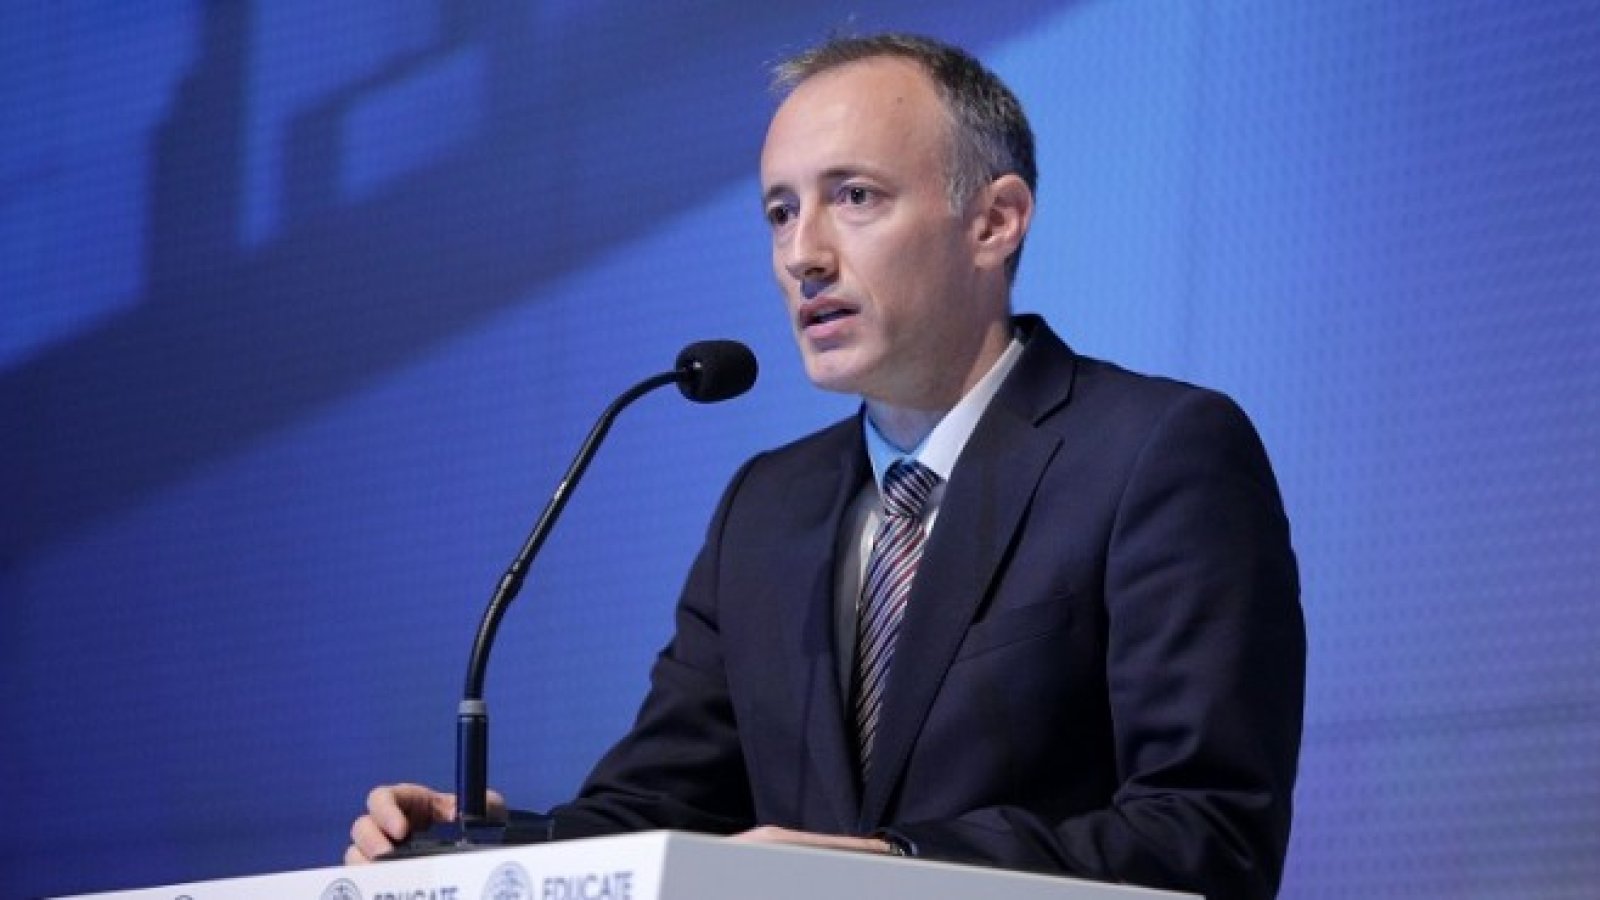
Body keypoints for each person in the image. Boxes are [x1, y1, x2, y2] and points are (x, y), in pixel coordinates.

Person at [347, 33, 1305, 900]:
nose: (802, 255)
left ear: (995, 221)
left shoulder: (1157, 453)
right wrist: (489, 849)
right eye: (780, 211)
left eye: (855, 197)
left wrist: (896, 868)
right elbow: (664, 805)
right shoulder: (767, 509)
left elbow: (1207, 836)